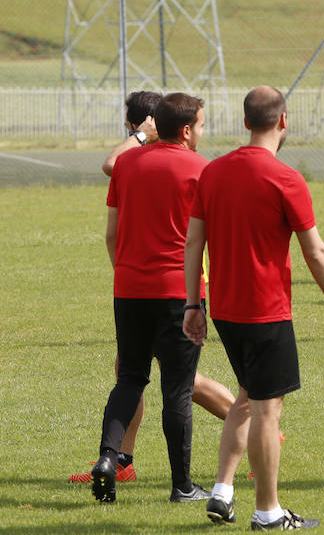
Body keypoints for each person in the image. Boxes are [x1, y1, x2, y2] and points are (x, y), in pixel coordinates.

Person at [183, 86, 324, 530]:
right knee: (266, 408)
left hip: (224, 308)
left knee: (246, 395)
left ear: (244, 123)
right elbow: (315, 251)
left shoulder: (213, 172)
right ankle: (268, 511)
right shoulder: (286, 178)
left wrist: (192, 303)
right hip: (266, 310)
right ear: (283, 121)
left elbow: (193, 242)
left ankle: (221, 491)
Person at [71, 91, 235, 485]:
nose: (201, 132)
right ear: (184, 130)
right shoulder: (201, 169)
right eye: (200, 125)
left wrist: (125, 274)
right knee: (178, 389)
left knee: (129, 378)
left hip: (128, 289)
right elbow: (217, 238)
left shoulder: (127, 165)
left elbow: (111, 234)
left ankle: (109, 460)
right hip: (180, 292)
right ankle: (182, 486)